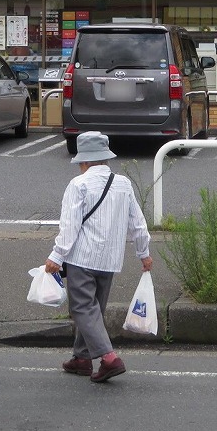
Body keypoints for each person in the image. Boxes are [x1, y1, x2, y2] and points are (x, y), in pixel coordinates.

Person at [43, 130, 152, 383]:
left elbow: (69, 226)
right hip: (110, 260)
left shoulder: (78, 184)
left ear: (84, 161)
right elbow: (138, 223)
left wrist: (56, 256)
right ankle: (82, 358)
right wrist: (143, 253)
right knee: (94, 310)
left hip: (83, 257)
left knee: (82, 308)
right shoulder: (123, 183)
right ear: (105, 158)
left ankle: (109, 359)